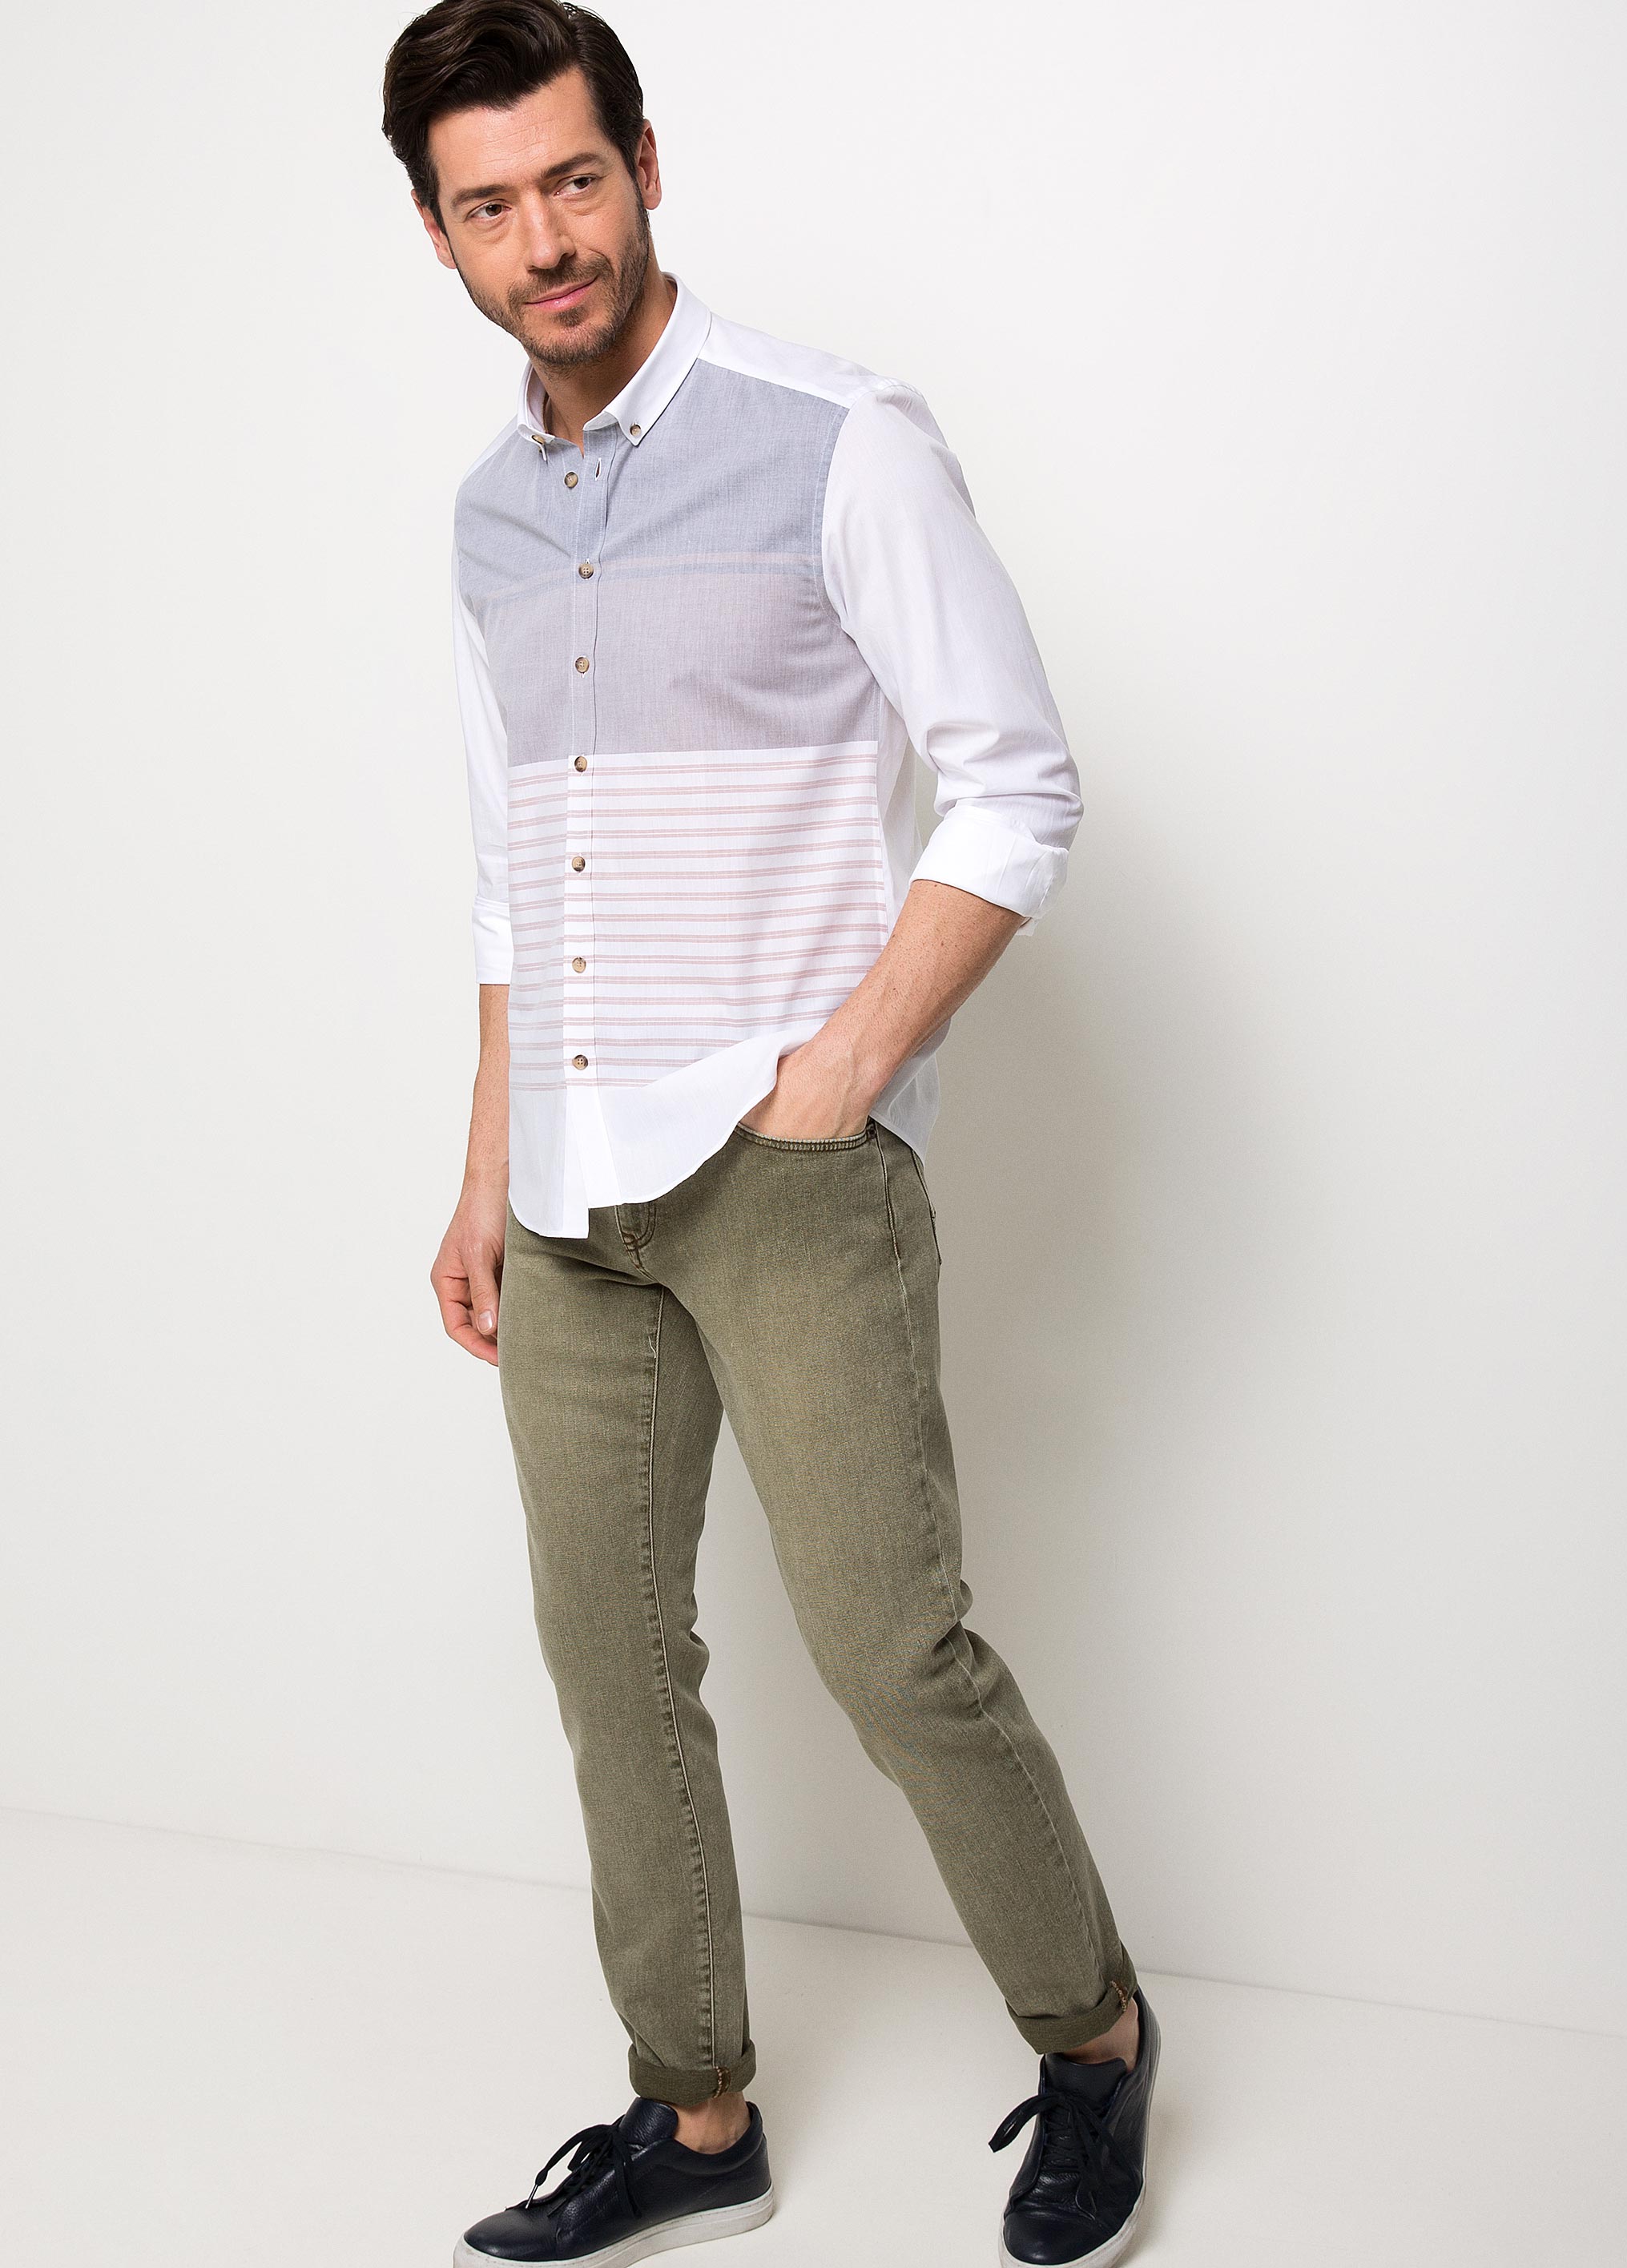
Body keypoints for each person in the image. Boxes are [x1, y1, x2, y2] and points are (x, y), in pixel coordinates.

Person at [380, 3, 1159, 2261]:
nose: (547, 240)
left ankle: (1095, 2038)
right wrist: (482, 1172)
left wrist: (843, 1071)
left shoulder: (836, 438)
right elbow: (512, 875)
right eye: (491, 205)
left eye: (574, 179)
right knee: (611, 1667)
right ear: (437, 235)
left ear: (645, 162)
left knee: (892, 1651)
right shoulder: (485, 519)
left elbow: (1015, 782)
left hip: (786, 1173)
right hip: (568, 1200)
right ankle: (693, 2116)